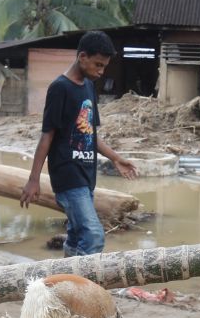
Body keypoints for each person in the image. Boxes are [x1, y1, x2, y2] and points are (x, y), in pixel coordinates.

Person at [21, 31, 137, 256]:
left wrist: (115, 158)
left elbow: (89, 134)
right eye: (98, 65)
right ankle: (79, 287)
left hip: (86, 176)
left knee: (76, 235)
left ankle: (65, 282)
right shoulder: (60, 88)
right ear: (82, 57)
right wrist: (33, 179)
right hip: (68, 175)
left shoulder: (88, 87)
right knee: (93, 235)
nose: (101, 72)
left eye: (104, 66)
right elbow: (47, 136)